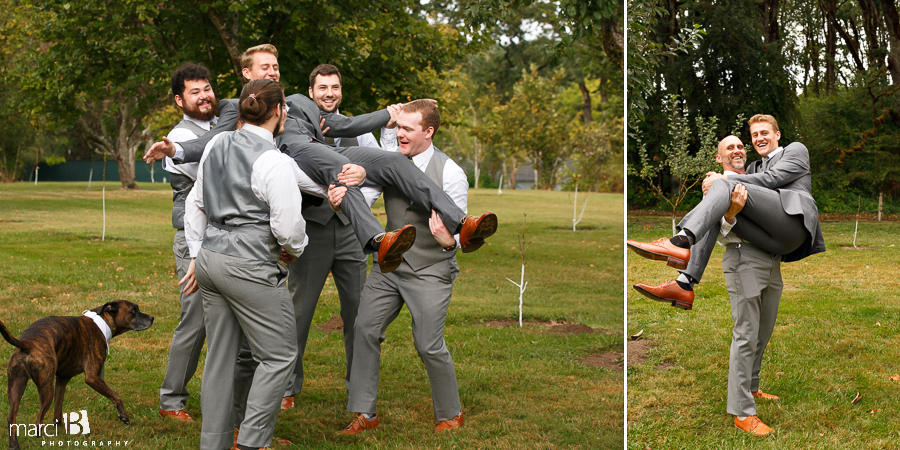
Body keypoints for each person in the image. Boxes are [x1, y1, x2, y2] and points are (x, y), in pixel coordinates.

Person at [143, 44, 497, 272]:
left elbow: (343, 123)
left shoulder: (300, 100)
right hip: (292, 153)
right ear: (247, 74)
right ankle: (378, 242)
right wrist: (175, 149)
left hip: (326, 149)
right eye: (264, 66)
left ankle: (461, 224)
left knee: (392, 161)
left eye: (276, 66)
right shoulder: (237, 107)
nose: (273, 71)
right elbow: (212, 139)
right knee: (340, 169)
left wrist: (395, 111)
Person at [181, 79, 329, 450]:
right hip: (249, 265)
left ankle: (213, 443)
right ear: (279, 112)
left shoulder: (217, 142)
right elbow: (289, 227)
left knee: (219, 356)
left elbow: (194, 203)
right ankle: (251, 442)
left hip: (211, 261)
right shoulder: (274, 161)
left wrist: (197, 253)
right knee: (280, 355)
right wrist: (294, 250)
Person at [339, 100, 466, 435]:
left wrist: (447, 240)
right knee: (364, 329)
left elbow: (462, 236)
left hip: (430, 269)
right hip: (389, 266)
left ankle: (451, 413)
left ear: (429, 131)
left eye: (408, 129)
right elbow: (365, 198)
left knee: (428, 344)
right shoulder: (391, 162)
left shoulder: (450, 172)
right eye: (398, 127)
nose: (399, 134)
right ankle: (364, 413)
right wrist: (345, 198)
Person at [628, 114, 825, 309]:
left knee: (724, 185)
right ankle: (684, 283)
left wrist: (721, 181)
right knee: (721, 202)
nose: (759, 138)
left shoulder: (795, 150)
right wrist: (719, 193)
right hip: (773, 241)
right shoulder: (754, 167)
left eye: (764, 132)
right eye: (755, 135)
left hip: (794, 223)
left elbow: (772, 179)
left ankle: (680, 240)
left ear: (778, 135)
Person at [280, 64, 380, 410]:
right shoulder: (293, 130)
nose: (329, 94)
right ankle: (287, 388)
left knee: (358, 314)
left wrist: (354, 205)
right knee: (299, 311)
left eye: (335, 87)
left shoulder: (362, 132)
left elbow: (375, 176)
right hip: (314, 231)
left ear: (341, 91)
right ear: (311, 92)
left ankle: (359, 392)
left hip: (354, 235)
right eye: (322, 88)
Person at [158, 62, 218, 423]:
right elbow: (213, 175)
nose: (204, 95)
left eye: (207, 87)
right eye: (194, 91)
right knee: (195, 319)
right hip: (193, 237)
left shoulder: (222, 122)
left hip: (224, 236)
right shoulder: (178, 138)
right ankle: (171, 399)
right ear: (180, 100)